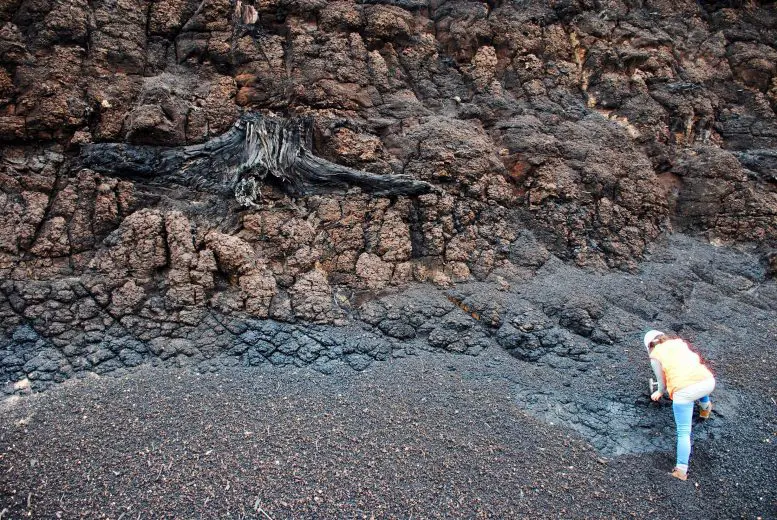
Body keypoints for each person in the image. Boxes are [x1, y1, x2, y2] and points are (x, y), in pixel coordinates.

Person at [644, 330, 715, 481]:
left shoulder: (655, 355)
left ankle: (681, 470)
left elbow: (661, 381)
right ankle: (705, 409)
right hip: (708, 381)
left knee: (683, 432)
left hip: (684, 392)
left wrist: (659, 392)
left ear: (649, 346)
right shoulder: (679, 343)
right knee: (698, 385)